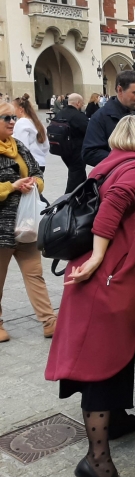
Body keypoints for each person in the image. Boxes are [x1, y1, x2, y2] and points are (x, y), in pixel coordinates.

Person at [45, 114, 135, 477]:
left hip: (101, 278)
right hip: (108, 277)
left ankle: (116, 421)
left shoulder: (109, 163)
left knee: (111, 355)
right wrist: (99, 256)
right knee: (100, 365)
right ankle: (97, 460)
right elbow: (112, 206)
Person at [0, 102, 57, 343]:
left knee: (35, 274)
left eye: (13, 117)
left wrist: (33, 183)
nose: (12, 122)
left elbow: (38, 173)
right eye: (6, 118)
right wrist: (11, 186)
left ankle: (49, 321)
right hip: (2, 227)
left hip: (26, 224)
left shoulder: (19, 146)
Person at [83, 71, 135, 166]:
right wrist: (127, 162)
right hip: (119, 177)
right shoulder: (100, 117)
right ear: (120, 90)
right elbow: (90, 153)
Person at [53, 93, 89, 193]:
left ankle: (85, 194)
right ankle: (66, 201)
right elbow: (89, 130)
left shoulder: (60, 113)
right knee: (75, 177)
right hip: (76, 150)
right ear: (78, 103)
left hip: (62, 150)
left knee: (79, 174)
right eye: (82, 103)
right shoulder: (77, 116)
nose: (82, 106)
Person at [12, 94, 49, 172]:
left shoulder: (21, 123)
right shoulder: (38, 123)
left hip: (28, 164)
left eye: (13, 108)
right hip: (40, 162)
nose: (12, 111)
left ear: (21, 109)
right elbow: (46, 146)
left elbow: (22, 146)